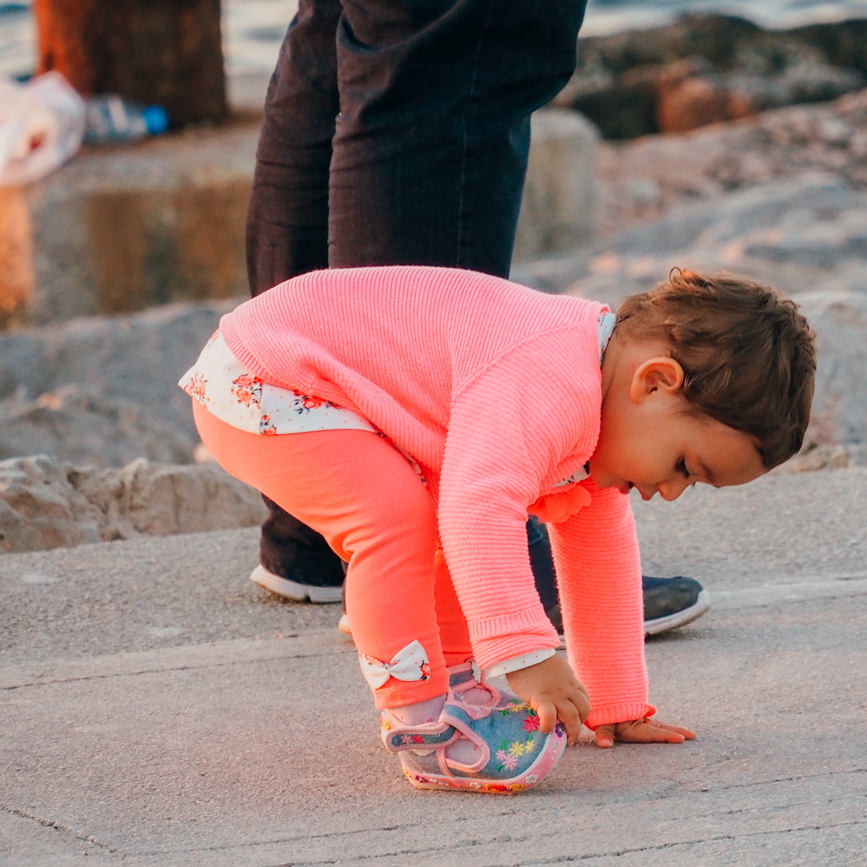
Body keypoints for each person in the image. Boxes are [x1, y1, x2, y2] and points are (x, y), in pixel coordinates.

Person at [180, 266, 816, 791]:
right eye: (684, 466)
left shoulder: (603, 399)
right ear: (654, 382)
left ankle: (455, 681)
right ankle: (419, 719)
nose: (671, 492)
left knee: (435, 512)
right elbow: (480, 508)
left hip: (322, 377)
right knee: (398, 519)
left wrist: (615, 703)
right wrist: (529, 658)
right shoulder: (551, 382)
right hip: (272, 375)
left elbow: (599, 553)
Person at [244, 0, 712, 636]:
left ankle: (333, 507)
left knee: (354, 29)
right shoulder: (566, 385)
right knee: (461, 42)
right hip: (244, 371)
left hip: (250, 368)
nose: (675, 489)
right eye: (686, 468)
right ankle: (438, 552)